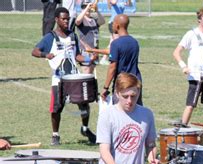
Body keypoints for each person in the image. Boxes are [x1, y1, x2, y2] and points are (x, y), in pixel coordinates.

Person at [32, 7, 97, 146]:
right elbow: (35, 51)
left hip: (74, 77)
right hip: (59, 78)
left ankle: (85, 129)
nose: (67, 21)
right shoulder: (51, 37)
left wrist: (88, 59)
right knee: (57, 107)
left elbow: (77, 56)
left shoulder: (72, 35)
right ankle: (55, 135)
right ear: (57, 19)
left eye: (68, 18)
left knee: (84, 102)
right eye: (64, 19)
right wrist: (46, 55)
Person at [101, 14, 143, 106]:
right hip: (136, 81)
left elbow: (112, 67)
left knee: (120, 113)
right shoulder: (135, 42)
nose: (112, 26)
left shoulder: (115, 44)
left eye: (113, 23)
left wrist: (105, 87)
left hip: (123, 83)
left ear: (117, 25)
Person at [100, 0, 131, 65]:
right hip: (113, 23)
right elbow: (113, 2)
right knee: (116, 42)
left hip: (119, 24)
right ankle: (108, 58)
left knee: (112, 42)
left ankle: (105, 58)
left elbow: (129, 4)